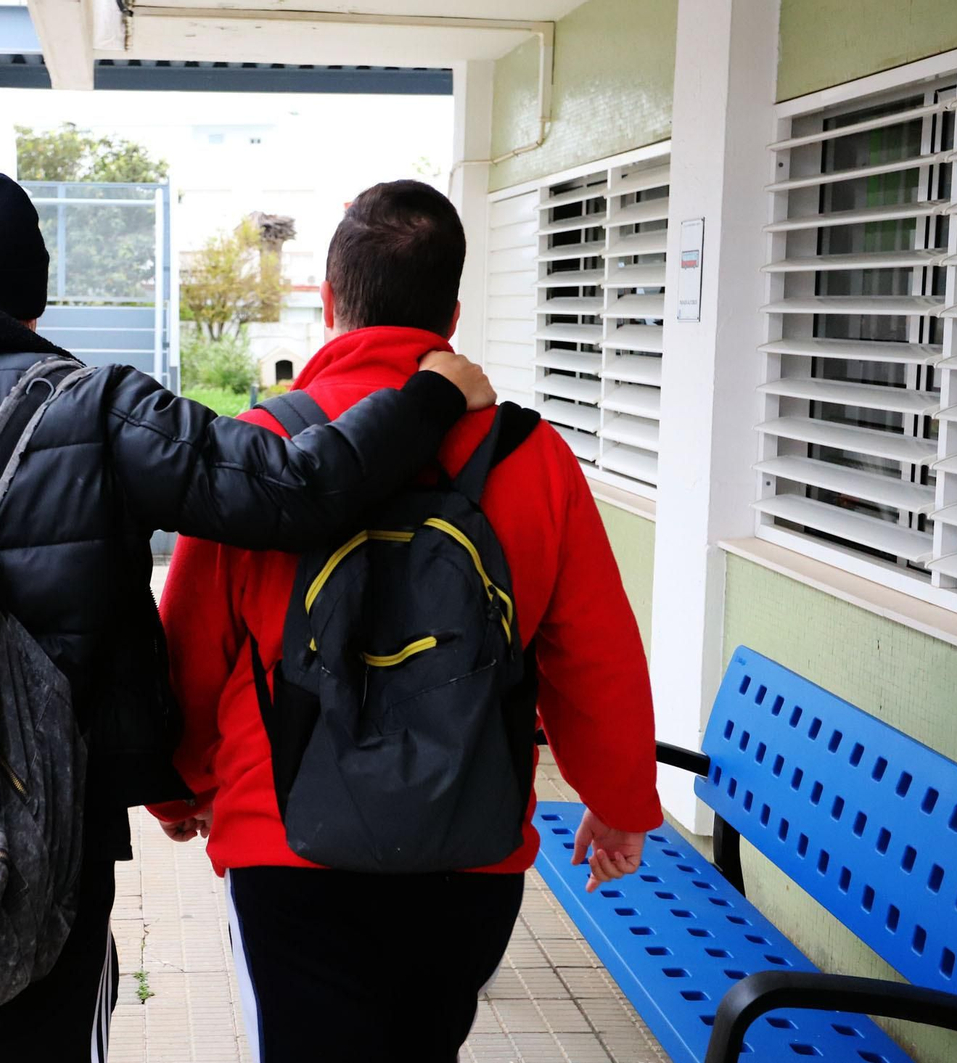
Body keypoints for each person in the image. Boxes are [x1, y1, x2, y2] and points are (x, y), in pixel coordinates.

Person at [0, 168, 498, 1062]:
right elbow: (295, 491)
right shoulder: (100, 411)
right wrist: (430, 396)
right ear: (34, 294)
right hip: (58, 845)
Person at [149, 179, 664, 1062]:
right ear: (452, 315)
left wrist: (178, 785)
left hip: (286, 843)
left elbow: (191, 644)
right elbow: (595, 650)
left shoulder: (258, 452)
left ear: (328, 299)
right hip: (467, 842)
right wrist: (619, 803)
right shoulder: (530, 457)